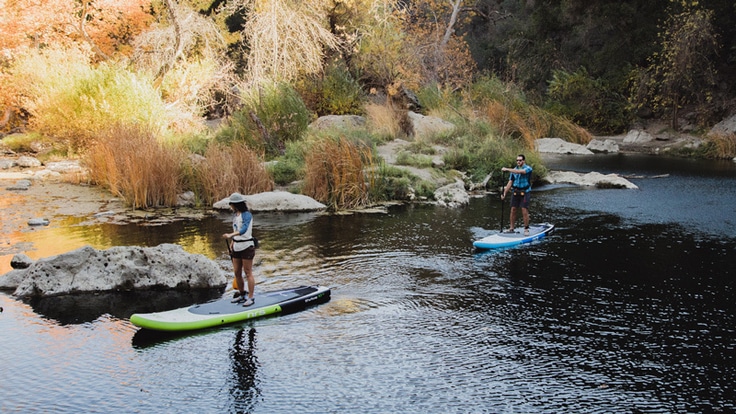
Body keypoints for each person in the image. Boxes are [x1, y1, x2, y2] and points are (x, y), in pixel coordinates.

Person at [223, 192, 256, 307]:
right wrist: (232, 241)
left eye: (231, 204)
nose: (230, 206)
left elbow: (243, 229)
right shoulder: (235, 215)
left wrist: (230, 235)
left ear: (236, 204)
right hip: (236, 246)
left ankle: (251, 297)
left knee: (248, 272)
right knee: (237, 272)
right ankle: (242, 295)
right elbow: (237, 228)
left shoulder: (247, 215)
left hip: (247, 246)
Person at [501, 154, 533, 236]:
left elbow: (521, 172)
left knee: (524, 209)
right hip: (515, 191)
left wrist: (507, 169)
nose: (518, 162)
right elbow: (510, 182)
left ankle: (526, 229)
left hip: (525, 192)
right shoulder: (514, 170)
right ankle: (511, 228)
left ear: (523, 161)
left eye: (520, 160)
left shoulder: (528, 168)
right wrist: (504, 193)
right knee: (513, 209)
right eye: (517, 160)